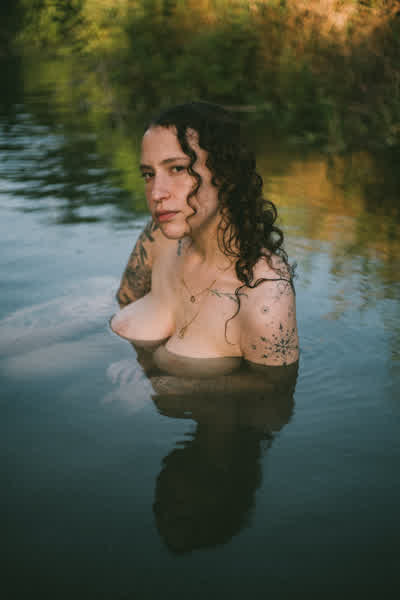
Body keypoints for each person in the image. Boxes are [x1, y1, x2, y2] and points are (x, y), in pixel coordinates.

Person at [110, 101, 299, 379]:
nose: (157, 193)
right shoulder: (158, 237)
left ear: (225, 174)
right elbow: (123, 301)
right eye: (149, 175)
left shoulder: (265, 297)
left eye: (177, 168)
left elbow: (274, 393)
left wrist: (157, 385)